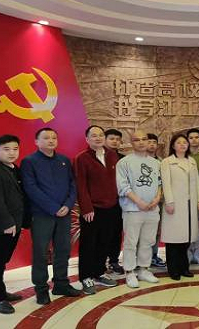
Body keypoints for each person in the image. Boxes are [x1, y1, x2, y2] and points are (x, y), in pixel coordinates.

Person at [21, 128, 80, 305]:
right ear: (36, 142)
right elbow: (31, 188)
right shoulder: (29, 161)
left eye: (54, 137)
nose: (51, 140)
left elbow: (72, 184)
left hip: (64, 213)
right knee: (41, 252)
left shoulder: (64, 160)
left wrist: (68, 205)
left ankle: (61, 283)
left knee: (63, 249)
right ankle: (41, 288)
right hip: (42, 214)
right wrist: (53, 208)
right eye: (46, 138)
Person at [0, 134, 27, 314]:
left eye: (15, 149)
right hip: (1, 227)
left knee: (2, 261)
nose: (12, 153)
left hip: (14, 223)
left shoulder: (13, 168)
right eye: (6, 149)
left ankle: (1, 291)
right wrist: (7, 222)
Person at [73, 126, 119, 295]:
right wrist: (86, 208)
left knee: (104, 242)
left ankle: (99, 272)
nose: (98, 138)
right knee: (88, 244)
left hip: (111, 207)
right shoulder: (81, 158)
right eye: (94, 136)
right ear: (87, 139)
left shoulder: (112, 155)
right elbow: (80, 185)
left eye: (101, 135)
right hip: (92, 209)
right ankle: (86, 277)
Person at [116, 130, 163, 288]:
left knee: (148, 241)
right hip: (132, 209)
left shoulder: (156, 163)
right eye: (137, 140)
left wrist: (157, 199)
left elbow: (160, 183)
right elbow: (123, 186)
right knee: (131, 242)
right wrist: (139, 202)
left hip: (152, 209)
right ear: (131, 142)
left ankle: (144, 269)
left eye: (144, 139)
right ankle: (129, 271)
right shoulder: (124, 162)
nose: (141, 142)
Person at [160, 134, 199, 280]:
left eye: (185, 142)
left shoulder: (191, 161)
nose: (183, 145)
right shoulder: (167, 162)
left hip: (189, 205)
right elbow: (166, 184)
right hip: (174, 204)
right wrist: (169, 202)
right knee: (173, 239)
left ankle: (184, 268)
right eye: (179, 142)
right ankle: (173, 270)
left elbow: (197, 182)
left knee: (186, 238)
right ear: (173, 145)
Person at [104, 128, 125, 275]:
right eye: (112, 139)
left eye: (118, 139)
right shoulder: (99, 157)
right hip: (102, 202)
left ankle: (114, 260)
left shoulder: (123, 159)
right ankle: (100, 261)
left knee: (117, 232)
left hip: (120, 201)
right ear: (105, 140)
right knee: (103, 233)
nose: (115, 141)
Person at [186, 128, 199, 265]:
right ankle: (188, 253)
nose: (194, 140)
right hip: (185, 196)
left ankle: (198, 253)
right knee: (186, 226)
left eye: (196, 137)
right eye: (191, 137)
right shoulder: (183, 156)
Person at [147, 133, 166, 268]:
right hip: (142, 203)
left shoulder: (161, 162)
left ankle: (153, 255)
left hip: (158, 202)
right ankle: (141, 257)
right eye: (149, 142)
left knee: (156, 230)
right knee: (142, 231)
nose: (152, 145)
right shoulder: (137, 161)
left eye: (154, 142)